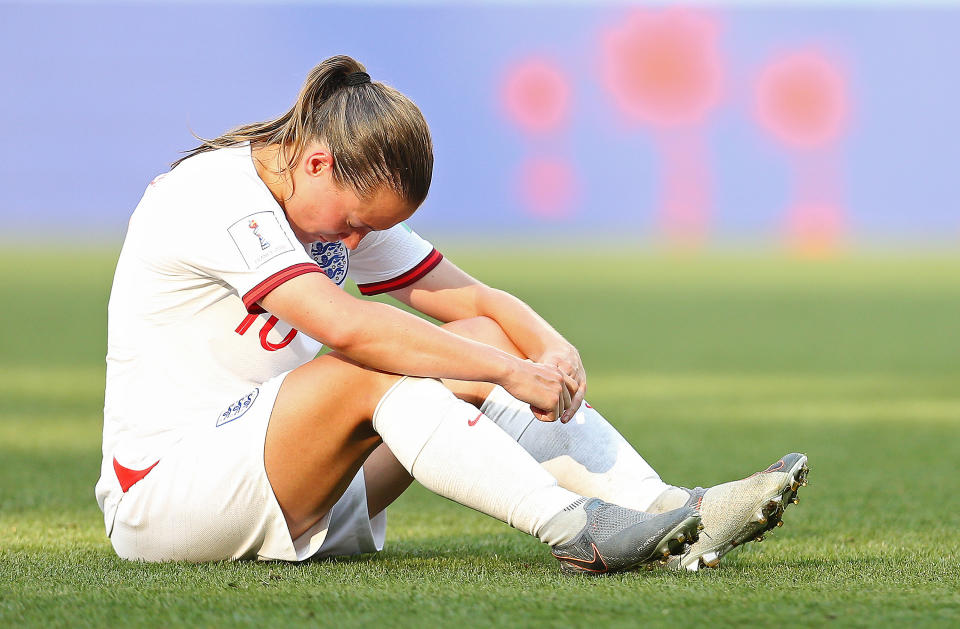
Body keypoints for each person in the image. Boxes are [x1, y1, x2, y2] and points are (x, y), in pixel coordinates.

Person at [96, 55, 807, 573]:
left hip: (291, 484)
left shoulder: (329, 200)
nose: (351, 243)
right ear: (316, 162)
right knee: (370, 367)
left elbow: (469, 299)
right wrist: (511, 372)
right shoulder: (212, 195)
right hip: (166, 499)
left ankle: (670, 511)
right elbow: (348, 328)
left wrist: (546, 346)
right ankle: (573, 527)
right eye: (350, 223)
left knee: (477, 338)